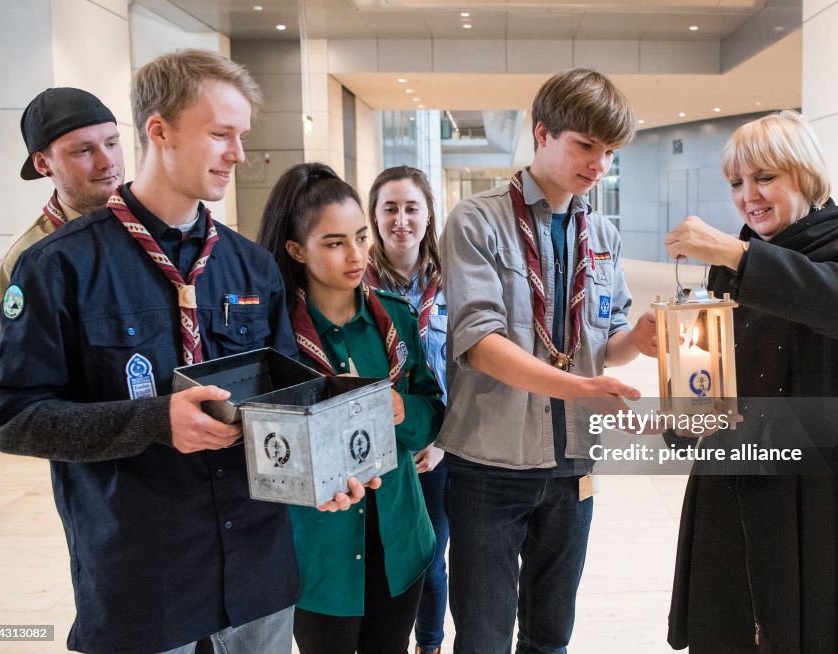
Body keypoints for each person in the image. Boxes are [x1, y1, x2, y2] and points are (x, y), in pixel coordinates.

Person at [0, 49, 368, 654]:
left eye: (242, 136)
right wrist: (153, 421)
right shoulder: (60, 266)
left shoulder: (251, 265)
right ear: (158, 130)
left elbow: (283, 402)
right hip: (144, 577)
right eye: (220, 134)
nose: (238, 154)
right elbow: (11, 419)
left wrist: (319, 467)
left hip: (258, 575)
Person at [662, 109, 838, 653]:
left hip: (835, 485)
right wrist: (684, 393)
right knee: (738, 627)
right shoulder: (740, 259)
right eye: (737, 183)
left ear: (806, 174)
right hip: (742, 478)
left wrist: (739, 255)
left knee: (831, 629)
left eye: (764, 178)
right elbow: (721, 377)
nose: (748, 196)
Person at [437, 67, 654, 653]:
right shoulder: (477, 221)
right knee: (483, 637)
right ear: (541, 133)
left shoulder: (602, 232)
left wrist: (642, 337)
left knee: (551, 634)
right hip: (490, 464)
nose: (598, 164)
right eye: (585, 145)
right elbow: (480, 343)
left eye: (609, 152)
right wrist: (578, 388)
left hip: (573, 466)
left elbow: (603, 341)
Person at [257, 162, 444, 654]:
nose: (356, 254)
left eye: (361, 237)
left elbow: (431, 415)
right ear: (296, 250)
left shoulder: (395, 321)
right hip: (320, 551)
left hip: (399, 539)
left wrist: (403, 411)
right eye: (335, 243)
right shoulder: (275, 340)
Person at [364, 165, 449, 654]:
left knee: (431, 560)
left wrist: (439, 442)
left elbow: (465, 371)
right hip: (380, 451)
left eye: (411, 207)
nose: (401, 219)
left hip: (437, 448)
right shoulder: (357, 288)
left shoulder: (454, 284)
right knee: (388, 560)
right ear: (374, 217)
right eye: (389, 208)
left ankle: (431, 645)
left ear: (428, 213)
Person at [0, 87, 124, 357]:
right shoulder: (16, 261)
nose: (107, 162)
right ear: (43, 164)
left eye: (111, 143)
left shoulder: (152, 235)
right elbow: (0, 386)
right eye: (84, 151)